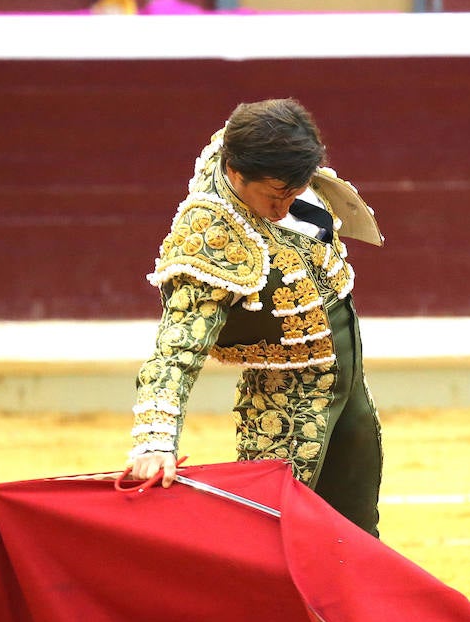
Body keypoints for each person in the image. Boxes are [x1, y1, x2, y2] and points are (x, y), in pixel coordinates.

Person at [125, 98, 386, 536]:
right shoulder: (210, 236)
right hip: (284, 411)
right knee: (270, 538)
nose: (284, 206)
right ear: (235, 174)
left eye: (294, 193)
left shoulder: (268, 153)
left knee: (358, 535)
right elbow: (176, 351)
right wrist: (155, 439)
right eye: (273, 196)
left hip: (350, 389)